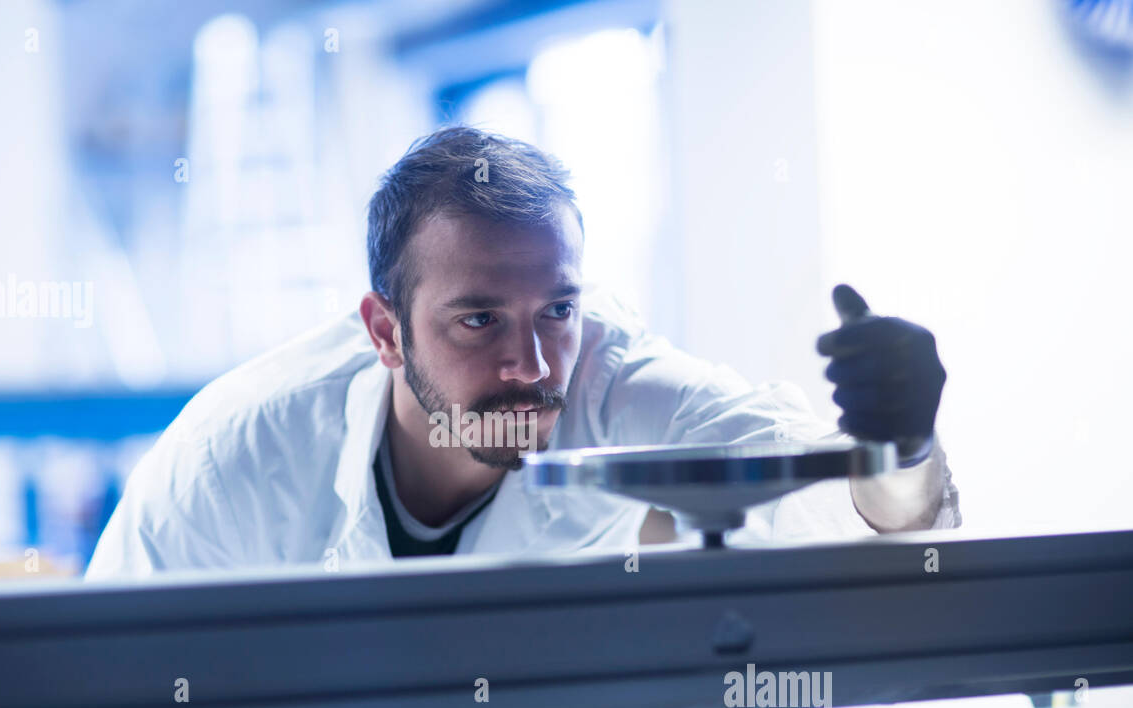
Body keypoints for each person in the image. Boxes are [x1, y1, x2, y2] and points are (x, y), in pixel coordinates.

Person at [85, 126, 959, 579]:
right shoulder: (235, 457)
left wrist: (901, 444)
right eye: (479, 321)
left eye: (557, 310)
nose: (534, 367)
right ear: (386, 331)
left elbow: (844, 515)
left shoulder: (613, 385)